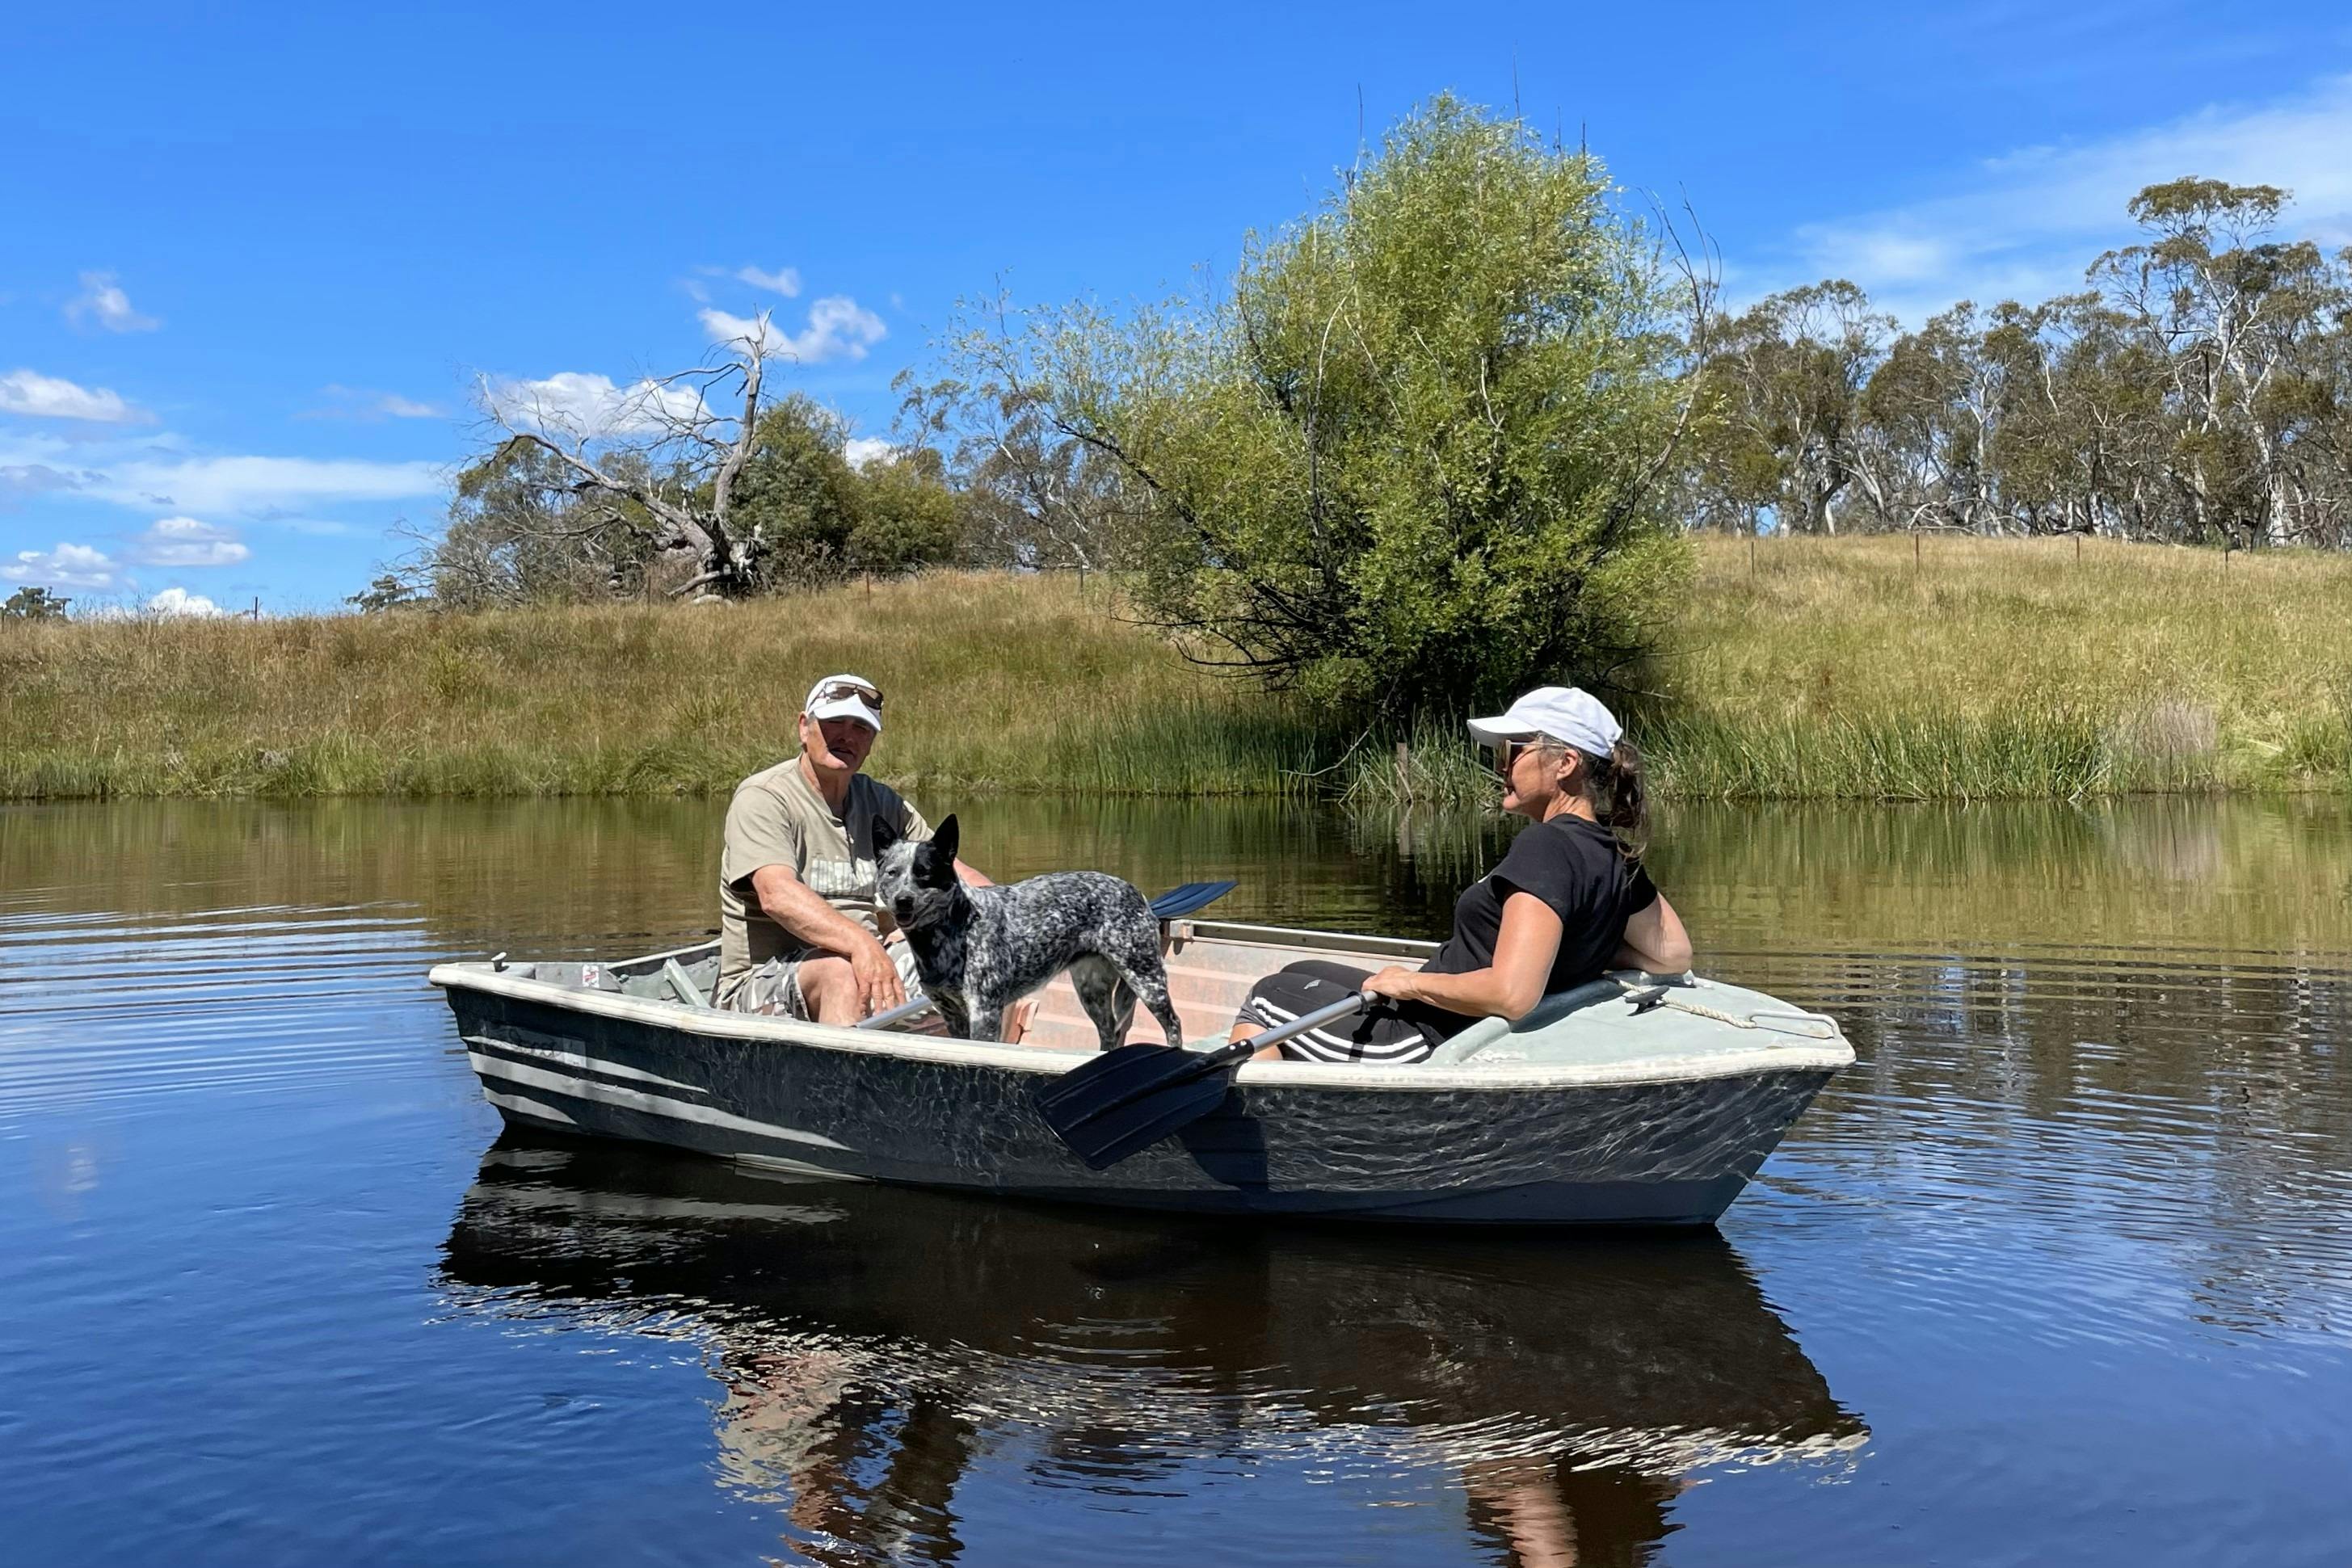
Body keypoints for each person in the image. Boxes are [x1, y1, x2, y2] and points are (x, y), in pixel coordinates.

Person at [1231, 686, 1692, 1063]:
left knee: (1269, 994)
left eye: (1512, 751)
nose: (1502, 766)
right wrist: (1573, 947)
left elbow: (1513, 994)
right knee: (1302, 969)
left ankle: (1268, 1133)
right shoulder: (1612, 850)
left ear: (1565, 764)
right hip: (1443, 1012)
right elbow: (1671, 954)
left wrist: (1410, 983)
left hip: (1426, 1036)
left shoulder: (1545, 845)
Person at [717, 674, 996, 1024]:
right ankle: (848, 1077)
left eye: (861, 727)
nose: (847, 736)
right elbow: (777, 894)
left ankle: (994, 1071)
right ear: (805, 727)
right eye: (835, 722)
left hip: (870, 961)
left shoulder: (881, 802)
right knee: (840, 972)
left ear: (871, 742)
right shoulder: (765, 797)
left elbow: (956, 876)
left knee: (985, 953)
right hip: (761, 986)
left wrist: (1000, 920)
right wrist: (864, 944)